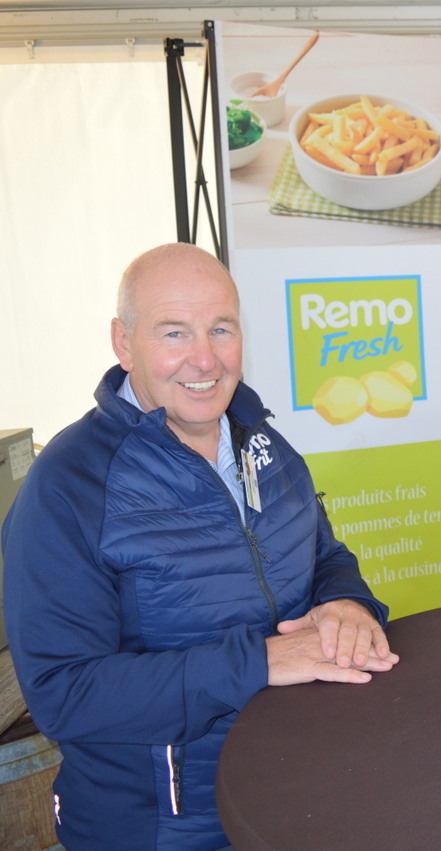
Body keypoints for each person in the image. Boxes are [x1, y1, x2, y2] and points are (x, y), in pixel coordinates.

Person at [1, 243, 399, 850]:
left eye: (221, 329)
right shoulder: (69, 485)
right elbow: (65, 693)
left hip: (296, 795)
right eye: (174, 333)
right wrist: (258, 662)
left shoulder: (263, 443)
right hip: (166, 829)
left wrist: (347, 602)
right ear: (123, 342)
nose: (205, 358)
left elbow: (324, 556)